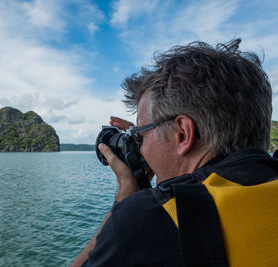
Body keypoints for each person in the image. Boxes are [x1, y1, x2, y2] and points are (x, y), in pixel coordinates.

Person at [71, 39, 278, 266]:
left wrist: (124, 203)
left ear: (182, 133)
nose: (139, 148)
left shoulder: (148, 219)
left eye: (141, 134)